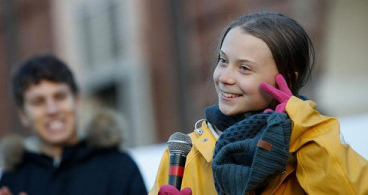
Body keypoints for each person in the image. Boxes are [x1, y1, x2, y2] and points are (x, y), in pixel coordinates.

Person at [150, 12, 368, 194]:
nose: (225, 77)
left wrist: (305, 128)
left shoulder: (314, 141)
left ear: (286, 80)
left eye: (244, 68)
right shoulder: (184, 156)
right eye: (223, 61)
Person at [0, 54, 147, 195]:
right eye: (38, 102)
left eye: (60, 97)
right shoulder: (12, 179)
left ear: (76, 100)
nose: (52, 110)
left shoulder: (119, 167)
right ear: (23, 115)